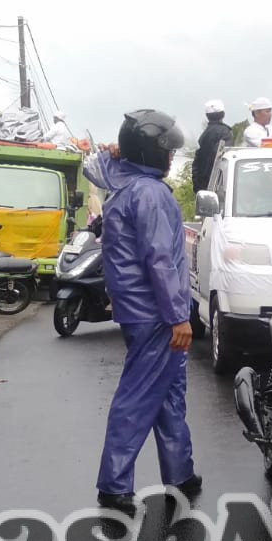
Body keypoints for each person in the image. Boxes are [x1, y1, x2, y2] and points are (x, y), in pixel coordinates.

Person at [89, 109, 201, 513]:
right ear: (150, 152)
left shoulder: (123, 182)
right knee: (137, 399)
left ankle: (180, 474)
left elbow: (96, 165)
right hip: (155, 314)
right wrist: (178, 316)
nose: (170, 158)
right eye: (165, 150)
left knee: (169, 394)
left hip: (140, 310)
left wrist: (112, 153)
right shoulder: (150, 194)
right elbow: (160, 262)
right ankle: (114, 486)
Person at [192, 99, 232, 192]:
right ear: (223, 114)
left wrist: (198, 187)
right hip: (218, 187)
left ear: (207, 116)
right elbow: (223, 159)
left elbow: (196, 163)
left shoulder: (203, 136)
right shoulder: (225, 132)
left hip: (203, 187)